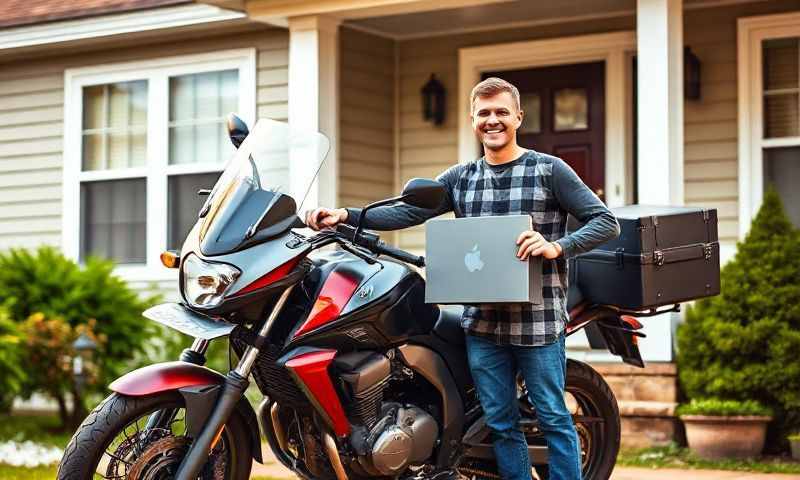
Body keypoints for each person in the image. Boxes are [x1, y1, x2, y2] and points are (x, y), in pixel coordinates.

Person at [305, 77, 619, 480]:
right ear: (473, 120)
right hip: (482, 325)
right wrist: (347, 215)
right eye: (484, 113)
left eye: (502, 112)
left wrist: (556, 246)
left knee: (554, 418)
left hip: (537, 324)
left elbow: (604, 222)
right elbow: (406, 212)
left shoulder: (548, 169)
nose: (493, 120)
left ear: (518, 117)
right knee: (501, 424)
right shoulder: (460, 178)